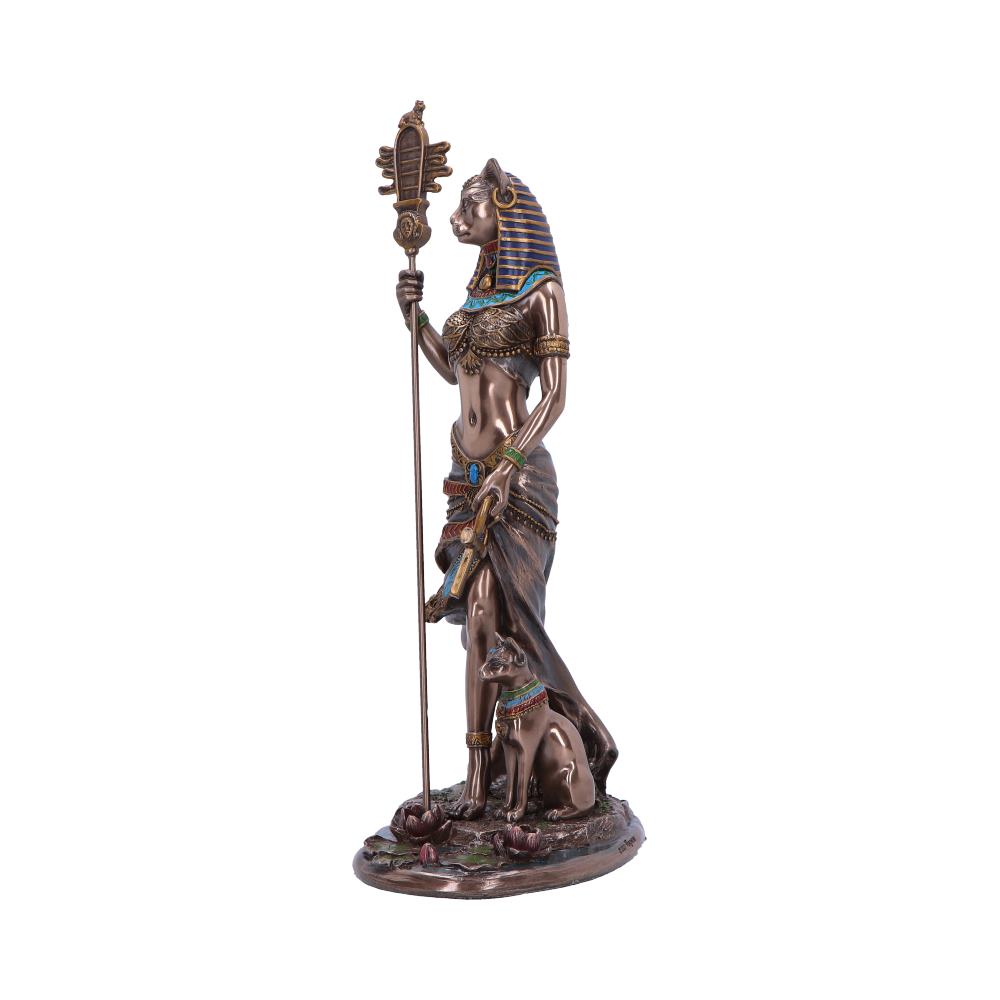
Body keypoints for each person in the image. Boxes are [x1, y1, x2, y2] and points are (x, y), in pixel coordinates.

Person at [396, 159, 617, 819]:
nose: (457, 218)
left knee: (491, 615)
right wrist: (415, 318)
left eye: (471, 206)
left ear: (504, 209)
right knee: (478, 627)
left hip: (517, 479)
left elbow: (555, 395)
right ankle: (483, 766)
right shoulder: (475, 302)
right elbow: (452, 370)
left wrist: (510, 460)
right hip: (466, 479)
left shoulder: (541, 292)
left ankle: (483, 769)